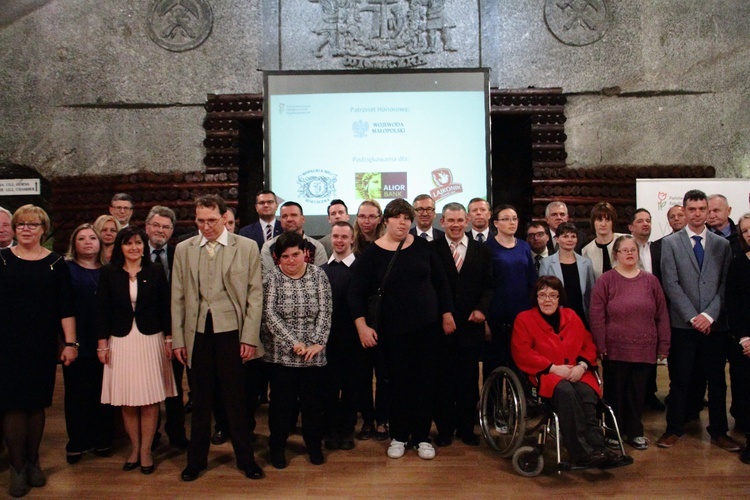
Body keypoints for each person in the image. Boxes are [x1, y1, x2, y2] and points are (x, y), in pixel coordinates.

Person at [349, 198, 455, 461]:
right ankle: (398, 435)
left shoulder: (423, 246)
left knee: (425, 383)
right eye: (397, 217)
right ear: (386, 220)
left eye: (407, 218)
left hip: (427, 329)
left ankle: (420, 437)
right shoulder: (373, 253)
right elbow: (355, 293)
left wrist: (447, 313)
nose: (403, 222)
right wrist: (361, 326)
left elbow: (441, 283)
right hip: (392, 332)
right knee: (396, 384)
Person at [171, 194, 265, 482]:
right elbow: (178, 297)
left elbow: (254, 295)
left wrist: (249, 338)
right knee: (200, 400)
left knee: (235, 399)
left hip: (232, 333)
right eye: (200, 221)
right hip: (197, 333)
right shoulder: (184, 249)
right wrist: (179, 340)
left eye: (211, 220)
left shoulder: (246, 247)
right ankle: (195, 461)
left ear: (225, 218)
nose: (206, 226)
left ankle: (246, 460)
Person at [0, 205, 78, 498]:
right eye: (21, 225)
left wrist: (70, 344)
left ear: (43, 229)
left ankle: (34, 461)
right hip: (6, 343)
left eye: (33, 225)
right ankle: (17, 468)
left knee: (36, 404)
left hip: (42, 343)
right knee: (13, 404)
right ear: (15, 228)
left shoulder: (56, 263)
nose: (27, 229)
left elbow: (66, 308)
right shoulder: (2, 260)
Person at [511, 276, 627, 469]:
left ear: (559, 298)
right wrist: (553, 368)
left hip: (576, 372)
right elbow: (522, 352)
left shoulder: (572, 316)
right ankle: (582, 452)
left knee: (587, 393)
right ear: (536, 298)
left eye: (553, 295)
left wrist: (582, 366)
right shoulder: (524, 319)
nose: (547, 300)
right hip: (545, 375)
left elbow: (587, 344)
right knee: (566, 392)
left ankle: (599, 449)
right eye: (542, 295)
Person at [657, 189, 739, 452]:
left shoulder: (722, 245)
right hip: (683, 325)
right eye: (691, 209)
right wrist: (693, 316)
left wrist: (708, 315)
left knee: (716, 381)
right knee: (680, 379)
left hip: (714, 326)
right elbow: (671, 283)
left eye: (701, 209)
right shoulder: (670, 244)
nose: (697, 214)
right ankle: (674, 428)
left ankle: (719, 432)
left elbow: (725, 285)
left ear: (707, 211)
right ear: (684, 210)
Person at [97, 226, 176, 475]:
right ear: (120, 247)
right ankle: (134, 448)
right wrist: (102, 344)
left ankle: (146, 452)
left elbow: (165, 306)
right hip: (120, 340)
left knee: (150, 398)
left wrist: (169, 339)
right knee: (128, 399)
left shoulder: (154, 271)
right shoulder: (109, 273)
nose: (134, 248)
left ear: (144, 246)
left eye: (139, 243)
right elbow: (102, 310)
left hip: (150, 339)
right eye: (128, 243)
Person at [589, 235, 670, 450]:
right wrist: (600, 344)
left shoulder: (650, 281)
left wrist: (664, 344)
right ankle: (613, 432)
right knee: (615, 393)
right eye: (624, 250)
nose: (629, 253)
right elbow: (596, 315)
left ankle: (635, 432)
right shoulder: (606, 280)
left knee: (638, 393)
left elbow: (662, 314)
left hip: (644, 348)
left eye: (632, 250)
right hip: (614, 348)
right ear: (616, 254)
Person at [262, 231, 332, 468]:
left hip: (314, 354)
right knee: (281, 405)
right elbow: (270, 315)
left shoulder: (318, 275)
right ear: (277, 258)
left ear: (306, 254)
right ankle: (277, 448)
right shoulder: (272, 278)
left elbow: (325, 311)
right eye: (285, 256)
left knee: (313, 405)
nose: (291, 260)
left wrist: (317, 342)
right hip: (282, 354)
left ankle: (314, 446)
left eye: (296, 254)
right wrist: (294, 342)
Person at [432, 203, 493, 447]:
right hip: (441, 328)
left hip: (470, 327)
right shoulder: (431, 249)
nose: (456, 225)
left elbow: (489, 286)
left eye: (460, 220)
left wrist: (481, 309)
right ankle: (445, 430)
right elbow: (430, 286)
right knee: (443, 381)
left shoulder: (482, 251)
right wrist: (443, 313)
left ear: (467, 221)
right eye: (450, 220)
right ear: (442, 222)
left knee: (468, 381)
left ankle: (467, 430)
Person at [63, 224, 114, 464]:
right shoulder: (66, 269)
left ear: (100, 242)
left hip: (105, 339)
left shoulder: (109, 270)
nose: (87, 242)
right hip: (77, 337)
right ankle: (77, 441)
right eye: (81, 238)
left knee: (102, 392)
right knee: (76, 393)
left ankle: (102, 438)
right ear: (74, 243)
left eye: (92, 237)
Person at [144, 206, 189, 451]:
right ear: (147, 227)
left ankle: (176, 432)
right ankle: (150, 434)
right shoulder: (135, 253)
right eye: (156, 225)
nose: (160, 230)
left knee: (174, 384)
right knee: (148, 385)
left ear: (172, 231)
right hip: (143, 331)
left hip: (177, 329)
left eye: (166, 227)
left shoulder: (179, 253)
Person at [484, 204, 536, 380]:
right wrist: (485, 319)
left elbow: (532, 281)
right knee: (495, 367)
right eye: (506, 219)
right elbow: (482, 285)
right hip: (496, 315)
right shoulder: (486, 248)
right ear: (496, 223)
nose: (511, 223)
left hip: (522, 315)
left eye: (514, 219)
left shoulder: (523, 246)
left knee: (521, 366)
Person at [351, 199, 388, 440]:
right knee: (361, 374)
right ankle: (367, 419)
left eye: (371, 216)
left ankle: (383, 418)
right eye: (362, 216)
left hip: (385, 317)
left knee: (384, 373)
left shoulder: (388, 245)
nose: (367, 221)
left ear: (380, 219)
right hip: (357, 317)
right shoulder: (348, 243)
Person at [321, 221, 359, 451]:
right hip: (328, 340)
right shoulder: (323, 270)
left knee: (352, 387)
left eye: (345, 236)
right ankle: (331, 430)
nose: (340, 241)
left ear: (352, 239)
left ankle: (347, 430)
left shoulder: (362, 269)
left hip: (354, 340)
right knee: (329, 387)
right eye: (336, 236)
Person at [726, 212, 750, 464]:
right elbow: (733, 305)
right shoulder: (738, 263)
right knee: (744, 391)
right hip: (745, 342)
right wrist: (744, 338)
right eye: (745, 230)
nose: (749, 233)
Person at [539, 222, 595, 325]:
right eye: (565, 236)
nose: (570, 240)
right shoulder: (546, 263)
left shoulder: (586, 263)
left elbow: (590, 293)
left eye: (573, 236)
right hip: (555, 316)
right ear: (557, 239)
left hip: (581, 315)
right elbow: (541, 292)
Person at [260, 201, 327, 274]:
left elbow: (320, 277)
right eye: (284, 216)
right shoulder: (269, 247)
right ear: (280, 221)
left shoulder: (317, 247)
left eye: (293, 215)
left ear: (303, 219)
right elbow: (269, 278)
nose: (289, 219)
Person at [582, 202, 625, 280]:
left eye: (607, 220)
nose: (603, 224)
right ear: (593, 222)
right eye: (599, 220)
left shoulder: (626, 241)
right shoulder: (587, 251)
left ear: (613, 222)